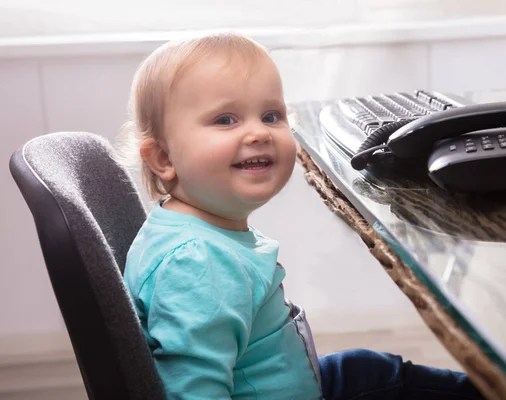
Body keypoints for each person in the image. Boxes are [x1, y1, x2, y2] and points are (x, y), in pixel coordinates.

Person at [119, 32, 484, 400]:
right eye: (226, 119)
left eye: (271, 115)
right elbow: (194, 392)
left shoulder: (194, 231)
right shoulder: (198, 263)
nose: (258, 132)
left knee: (370, 369)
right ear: (164, 159)